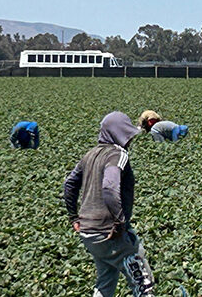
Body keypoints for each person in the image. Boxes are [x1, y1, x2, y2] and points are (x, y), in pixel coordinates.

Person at [63, 111, 155, 297]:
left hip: (89, 232)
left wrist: (74, 216)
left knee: (106, 280)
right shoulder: (118, 154)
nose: (129, 140)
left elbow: (69, 184)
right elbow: (109, 187)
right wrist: (120, 222)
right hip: (109, 232)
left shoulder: (89, 155)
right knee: (142, 283)